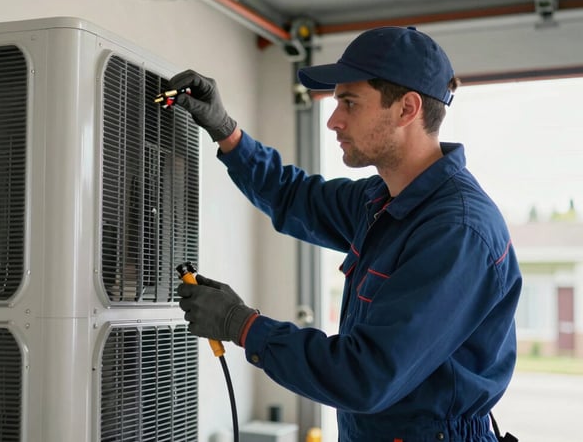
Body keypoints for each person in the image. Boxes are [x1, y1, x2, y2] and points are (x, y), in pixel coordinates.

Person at [170, 26, 522, 442]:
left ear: (407, 109)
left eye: (349, 103)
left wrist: (242, 325)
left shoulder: (455, 231)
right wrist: (227, 132)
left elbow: (364, 376)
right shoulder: (383, 200)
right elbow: (294, 196)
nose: (334, 121)